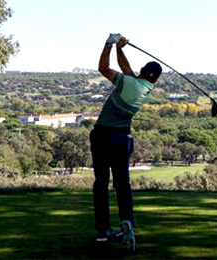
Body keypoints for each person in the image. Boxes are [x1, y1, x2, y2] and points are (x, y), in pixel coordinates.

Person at [90, 33, 162, 251]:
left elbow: (104, 68)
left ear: (142, 72)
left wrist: (109, 44)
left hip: (102, 136)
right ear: (154, 79)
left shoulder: (130, 82)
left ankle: (103, 231)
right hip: (122, 139)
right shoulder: (145, 88)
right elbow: (127, 69)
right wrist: (122, 49)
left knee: (101, 184)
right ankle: (127, 223)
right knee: (123, 185)